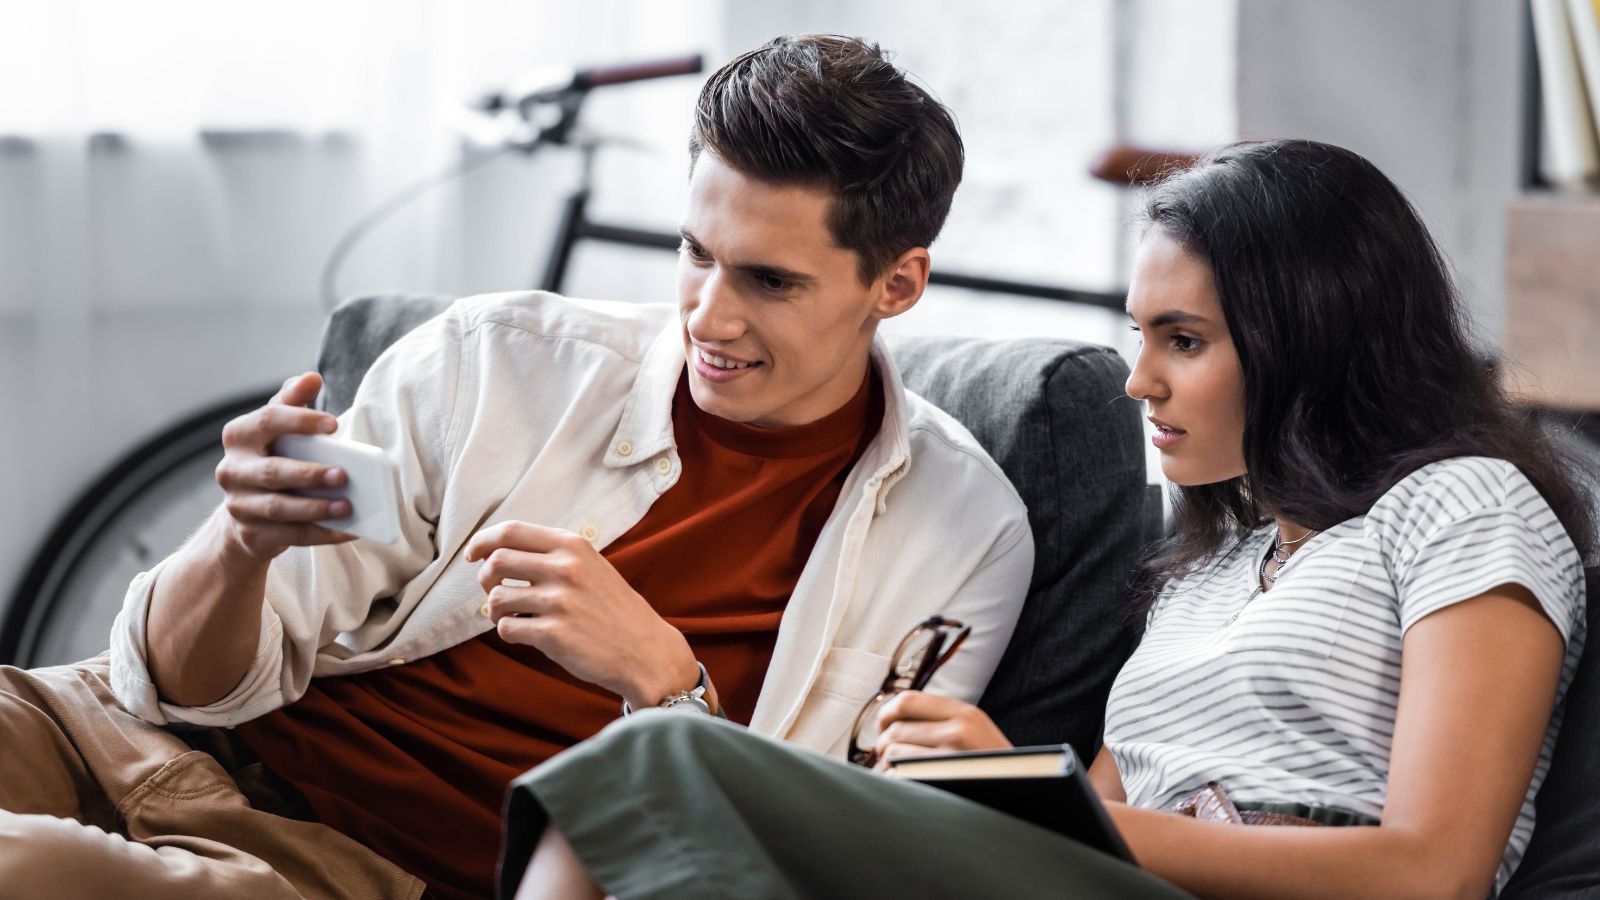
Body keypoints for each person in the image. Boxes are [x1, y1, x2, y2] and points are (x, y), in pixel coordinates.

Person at [0, 35, 1036, 900]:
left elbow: (820, 860)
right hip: (120, 726)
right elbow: (178, 688)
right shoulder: (495, 360)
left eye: (769, 280)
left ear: (896, 284)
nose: (708, 317)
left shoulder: (959, 533)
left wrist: (664, 685)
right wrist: (237, 549)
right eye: (695, 254)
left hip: (347, 867)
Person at [503, 139, 1594, 900]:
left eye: (1183, 340)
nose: (1138, 383)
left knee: (662, 763)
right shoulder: (1210, 563)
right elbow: (1112, 810)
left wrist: (1055, 816)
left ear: (1304, 337)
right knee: (657, 785)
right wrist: (996, 779)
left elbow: (1431, 871)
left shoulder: (1461, 506)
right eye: (1139, 334)